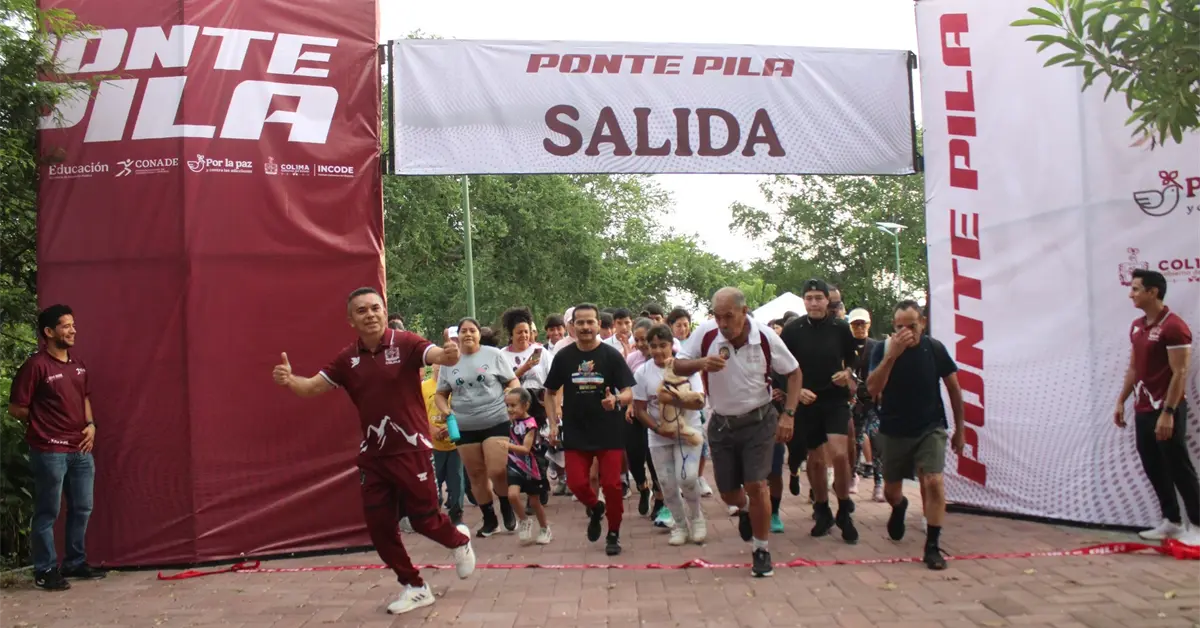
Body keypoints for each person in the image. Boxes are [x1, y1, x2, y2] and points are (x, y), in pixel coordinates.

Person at [272, 287, 475, 615]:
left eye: (375, 308)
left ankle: (459, 541)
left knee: (425, 520)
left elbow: (437, 355)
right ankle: (415, 586)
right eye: (362, 311)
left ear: (384, 311)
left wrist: (448, 355)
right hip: (374, 456)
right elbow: (310, 387)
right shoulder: (346, 359)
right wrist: (289, 380)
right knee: (379, 528)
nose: (370, 315)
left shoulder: (405, 342)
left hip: (411, 450)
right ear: (350, 319)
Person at [674, 287, 802, 578]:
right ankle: (743, 508)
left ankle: (761, 548)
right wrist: (701, 363)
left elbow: (794, 372)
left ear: (744, 313)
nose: (722, 323)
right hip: (721, 423)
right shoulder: (706, 334)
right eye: (717, 316)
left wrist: (789, 415)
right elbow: (678, 365)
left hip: (760, 420)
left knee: (757, 485)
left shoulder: (766, 338)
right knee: (729, 492)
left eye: (728, 316)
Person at [8, 305, 105, 591]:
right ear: (48, 333)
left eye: (73, 324)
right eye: (65, 326)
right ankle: (45, 569)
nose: (73, 330)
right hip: (49, 450)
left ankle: (74, 562)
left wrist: (91, 425)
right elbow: (16, 408)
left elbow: (84, 397)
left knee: (82, 507)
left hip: (81, 448)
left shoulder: (78, 365)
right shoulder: (36, 366)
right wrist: (45, 424)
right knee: (48, 511)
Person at [866, 300, 965, 570]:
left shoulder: (934, 349)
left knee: (933, 481)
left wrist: (960, 430)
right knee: (891, 491)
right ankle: (899, 507)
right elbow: (872, 388)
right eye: (900, 327)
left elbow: (954, 388)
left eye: (911, 325)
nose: (906, 331)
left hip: (929, 426)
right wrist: (892, 356)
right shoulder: (883, 349)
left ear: (922, 322)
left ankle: (932, 545)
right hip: (894, 429)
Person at [544, 303, 636, 556]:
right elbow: (550, 392)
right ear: (572, 326)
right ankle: (595, 508)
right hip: (576, 430)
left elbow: (629, 391)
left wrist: (616, 400)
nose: (585, 327)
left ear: (598, 325)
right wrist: (553, 423)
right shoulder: (563, 357)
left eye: (590, 322)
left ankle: (614, 533)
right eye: (580, 322)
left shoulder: (611, 355)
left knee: (612, 485)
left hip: (609, 430)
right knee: (576, 483)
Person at [1115, 269, 1199, 544]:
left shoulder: (1174, 326)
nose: (1131, 294)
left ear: (1153, 292)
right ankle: (1172, 521)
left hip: (1167, 410)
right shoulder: (1137, 326)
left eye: (1137, 289)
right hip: (1143, 408)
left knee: (1178, 465)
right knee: (1152, 463)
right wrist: (1121, 400)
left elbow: (1180, 372)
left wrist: (1168, 413)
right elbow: (1134, 367)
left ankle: (1197, 526)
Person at [780, 279, 860, 543]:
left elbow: (853, 358)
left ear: (828, 301)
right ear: (804, 301)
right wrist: (796, 391)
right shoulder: (793, 330)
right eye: (809, 298)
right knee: (814, 460)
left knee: (838, 454)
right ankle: (822, 509)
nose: (814, 302)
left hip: (835, 399)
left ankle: (844, 508)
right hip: (807, 402)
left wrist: (847, 372)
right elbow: (779, 367)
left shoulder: (840, 327)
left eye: (819, 298)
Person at [434, 318, 519, 537]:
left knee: (496, 469)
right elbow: (441, 393)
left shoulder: (494, 355)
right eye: (464, 331)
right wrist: (445, 411)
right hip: (464, 425)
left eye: (472, 330)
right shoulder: (449, 362)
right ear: (458, 335)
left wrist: (511, 395)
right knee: (475, 475)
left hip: (495, 419)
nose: (468, 334)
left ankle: (506, 507)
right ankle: (490, 520)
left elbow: (512, 382)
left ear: (479, 334)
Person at [633, 324, 708, 545]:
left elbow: (698, 401)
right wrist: (657, 429)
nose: (657, 351)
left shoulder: (685, 367)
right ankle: (680, 525)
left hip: (688, 432)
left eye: (662, 345)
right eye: (653, 346)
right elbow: (639, 409)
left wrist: (671, 398)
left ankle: (697, 519)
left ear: (671, 344)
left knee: (688, 478)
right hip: (658, 436)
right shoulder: (642, 372)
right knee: (666, 483)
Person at [503, 388, 553, 545]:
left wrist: (506, 446)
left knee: (534, 501)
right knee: (512, 495)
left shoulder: (530, 424)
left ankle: (545, 528)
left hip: (530, 466)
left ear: (526, 405)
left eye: (513, 405)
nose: (510, 409)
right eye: (508, 405)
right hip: (513, 465)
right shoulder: (512, 420)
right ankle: (524, 520)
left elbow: (525, 449)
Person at [848, 308, 884, 502]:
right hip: (853, 401)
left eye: (862, 324)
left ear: (869, 325)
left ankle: (879, 482)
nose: (859, 328)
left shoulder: (877, 347)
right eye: (855, 324)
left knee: (876, 439)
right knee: (855, 440)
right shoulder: (846, 346)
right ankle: (853, 475)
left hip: (873, 400)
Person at [424, 363, 464, 525]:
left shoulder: (457, 386)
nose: (440, 367)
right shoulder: (423, 387)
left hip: (455, 444)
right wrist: (431, 429)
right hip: (432, 445)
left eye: (444, 363)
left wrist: (450, 427)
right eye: (437, 363)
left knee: (457, 483)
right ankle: (434, 514)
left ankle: (457, 517)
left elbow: (464, 410)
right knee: (434, 482)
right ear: (432, 365)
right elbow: (416, 412)